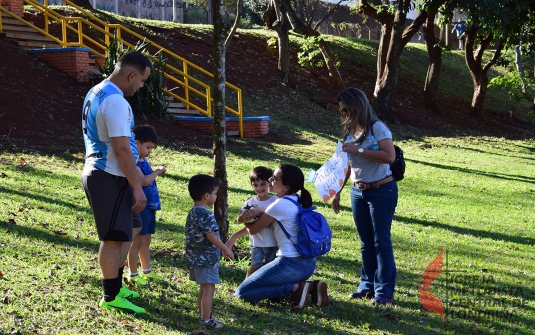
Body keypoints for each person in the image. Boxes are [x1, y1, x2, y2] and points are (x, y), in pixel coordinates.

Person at [81, 51, 152, 314]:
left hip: (110, 173)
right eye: (142, 81)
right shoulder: (116, 101)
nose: (141, 86)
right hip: (107, 175)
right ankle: (111, 296)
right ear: (131, 75)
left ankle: (116, 285)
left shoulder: (97, 91)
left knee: (130, 229)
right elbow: (122, 149)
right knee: (113, 239)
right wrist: (137, 186)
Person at [331, 87, 398, 306]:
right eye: (342, 112)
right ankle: (366, 286)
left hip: (381, 191)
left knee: (381, 242)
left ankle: (383, 292)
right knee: (365, 243)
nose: (344, 115)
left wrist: (358, 150)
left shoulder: (377, 128)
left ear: (357, 106)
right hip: (357, 191)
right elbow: (347, 165)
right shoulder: (351, 129)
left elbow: (389, 156)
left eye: (346, 110)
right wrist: (337, 192)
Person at [234, 164, 329, 311]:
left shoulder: (279, 205)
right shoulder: (297, 198)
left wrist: (244, 219)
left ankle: (296, 287)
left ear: (286, 187)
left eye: (274, 178)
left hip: (289, 264)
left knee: (242, 292)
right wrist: (261, 211)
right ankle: (311, 287)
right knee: (262, 283)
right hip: (308, 264)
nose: (270, 179)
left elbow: (253, 230)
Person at [185, 174, 235, 329]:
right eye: (214, 194)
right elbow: (211, 236)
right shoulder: (206, 214)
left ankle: (203, 317)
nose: (215, 196)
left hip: (195, 258)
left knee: (204, 288)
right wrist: (226, 248)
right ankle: (206, 321)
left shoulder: (192, 212)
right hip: (205, 260)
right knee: (209, 289)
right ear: (206, 196)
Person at [127, 124, 166, 286]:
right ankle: (133, 273)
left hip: (150, 206)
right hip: (140, 206)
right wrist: (157, 171)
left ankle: (147, 270)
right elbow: (143, 181)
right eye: (148, 147)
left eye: (152, 148)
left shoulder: (143, 160)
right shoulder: (134, 162)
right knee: (137, 240)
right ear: (136, 144)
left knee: (147, 239)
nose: (150, 151)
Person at [226, 166, 278, 278]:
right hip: (256, 243)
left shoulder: (274, 201)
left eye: (263, 184)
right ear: (251, 185)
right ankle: (246, 286)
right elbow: (239, 219)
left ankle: (269, 289)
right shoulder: (250, 202)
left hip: (272, 243)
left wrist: (260, 211)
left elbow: (274, 216)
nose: (259, 188)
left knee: (271, 267)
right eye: (255, 185)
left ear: (269, 183)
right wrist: (242, 217)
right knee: (255, 266)